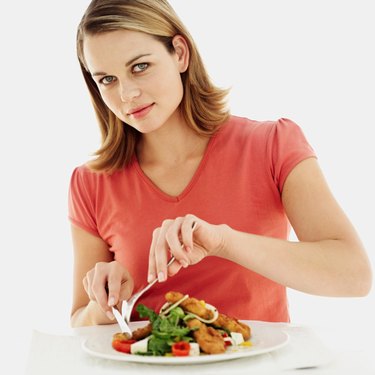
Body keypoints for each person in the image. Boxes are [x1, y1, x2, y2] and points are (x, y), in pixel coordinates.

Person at [69, 0, 372, 327]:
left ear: (180, 54)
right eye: (107, 80)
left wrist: (224, 242)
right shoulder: (91, 182)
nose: (126, 94)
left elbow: (354, 276)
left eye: (140, 66)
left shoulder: (272, 145)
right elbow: (79, 321)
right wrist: (106, 303)